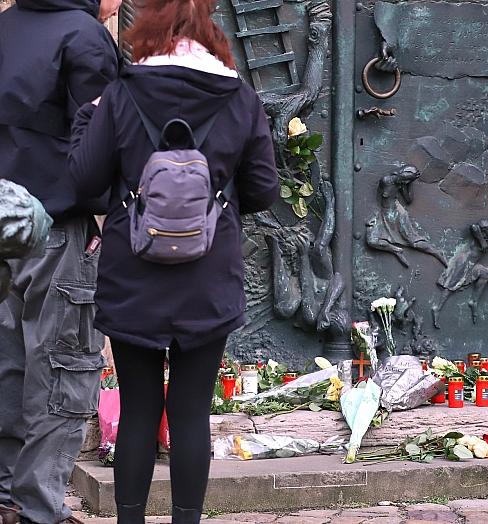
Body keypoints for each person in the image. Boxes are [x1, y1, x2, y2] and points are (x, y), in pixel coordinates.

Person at [67, 0, 279, 521]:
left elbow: (85, 183)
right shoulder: (240, 97)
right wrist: (214, 207)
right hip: (208, 274)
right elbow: (265, 189)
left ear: (147, 30)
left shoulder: (120, 95)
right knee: (190, 412)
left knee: (139, 408)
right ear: (212, 35)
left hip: (133, 273)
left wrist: (87, 118)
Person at [0, 0, 120, 522]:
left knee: (8, 366)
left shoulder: (6, 26)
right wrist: (105, 213)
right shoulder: (85, 36)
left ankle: (6, 496)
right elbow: (100, 139)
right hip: (56, 224)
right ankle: (38, 510)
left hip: (5, 219)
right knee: (62, 369)